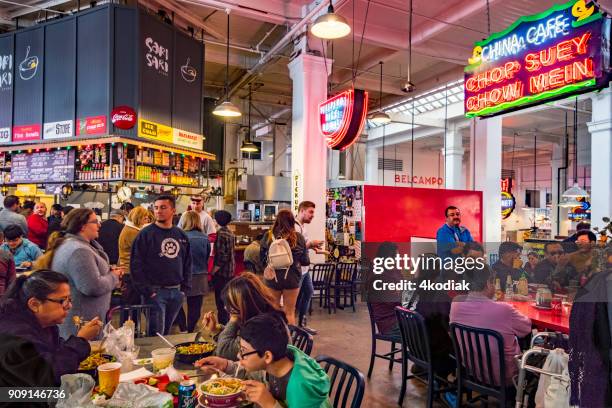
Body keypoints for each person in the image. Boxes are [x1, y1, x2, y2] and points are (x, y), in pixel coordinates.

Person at [195, 313, 332, 408]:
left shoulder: (301, 387)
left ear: (267, 356)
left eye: (243, 351)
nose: (238, 356)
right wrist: (224, 365)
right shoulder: (277, 362)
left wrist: (270, 404)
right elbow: (254, 373)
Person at [0, 271, 102, 390]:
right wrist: (81, 340)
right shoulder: (15, 337)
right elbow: (49, 377)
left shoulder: (45, 324)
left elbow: (55, 354)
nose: (69, 306)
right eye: (63, 300)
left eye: (70, 299)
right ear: (34, 304)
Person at [34, 209, 122, 339]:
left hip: (83, 319)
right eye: (95, 222)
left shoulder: (75, 246)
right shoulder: (79, 251)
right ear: (82, 226)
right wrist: (114, 277)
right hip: (81, 322)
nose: (99, 225)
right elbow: (92, 286)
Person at [450, 264, 532, 386]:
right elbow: (526, 328)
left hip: (472, 372)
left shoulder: (456, 305)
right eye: (494, 282)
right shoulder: (504, 310)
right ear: (488, 283)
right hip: (506, 377)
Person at [130, 195, 191, 335]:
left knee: (167, 331)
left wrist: (185, 289)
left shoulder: (181, 234)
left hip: (176, 291)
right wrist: (147, 290)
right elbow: (136, 265)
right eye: (156, 208)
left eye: (163, 207)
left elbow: (187, 262)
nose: (158, 211)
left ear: (173, 210)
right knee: (157, 334)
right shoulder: (145, 234)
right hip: (155, 292)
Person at [198, 272, 283, 360]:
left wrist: (233, 319)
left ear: (243, 305)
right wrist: (215, 329)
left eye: (230, 305)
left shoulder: (260, 327)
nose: (225, 308)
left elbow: (224, 350)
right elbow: (234, 341)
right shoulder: (260, 315)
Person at [260, 209, 309, 326]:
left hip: (272, 278)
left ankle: (274, 340)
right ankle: (289, 342)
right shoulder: (299, 237)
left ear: (277, 220)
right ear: (292, 222)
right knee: (290, 312)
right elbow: (306, 261)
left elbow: (261, 259)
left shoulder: (268, 236)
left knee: (273, 311)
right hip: (292, 278)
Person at [177, 211, 210, 332]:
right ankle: (190, 329)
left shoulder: (179, 236)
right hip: (200, 276)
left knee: (177, 304)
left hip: (182, 275)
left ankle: (182, 327)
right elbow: (207, 256)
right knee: (195, 306)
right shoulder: (205, 238)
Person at [295, 201, 324, 334]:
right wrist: (310, 243)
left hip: (305, 269)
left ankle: (302, 324)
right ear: (302, 211)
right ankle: (292, 326)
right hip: (298, 269)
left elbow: (303, 245)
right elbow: (295, 248)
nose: (313, 215)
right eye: (310, 212)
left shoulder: (303, 227)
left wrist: (314, 247)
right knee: (294, 298)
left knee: (308, 292)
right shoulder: (295, 228)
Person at [366, 242, 403, 341]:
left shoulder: (391, 270)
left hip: (397, 317)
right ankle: (413, 355)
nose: (398, 259)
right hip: (389, 324)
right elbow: (394, 300)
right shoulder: (378, 275)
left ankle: (413, 354)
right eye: (396, 256)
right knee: (423, 330)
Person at [211, 210, 235, 325]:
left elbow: (222, 256)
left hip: (222, 273)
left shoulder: (220, 234)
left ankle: (222, 326)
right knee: (227, 300)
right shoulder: (230, 233)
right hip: (230, 271)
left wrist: (213, 270)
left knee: (220, 302)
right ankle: (228, 323)